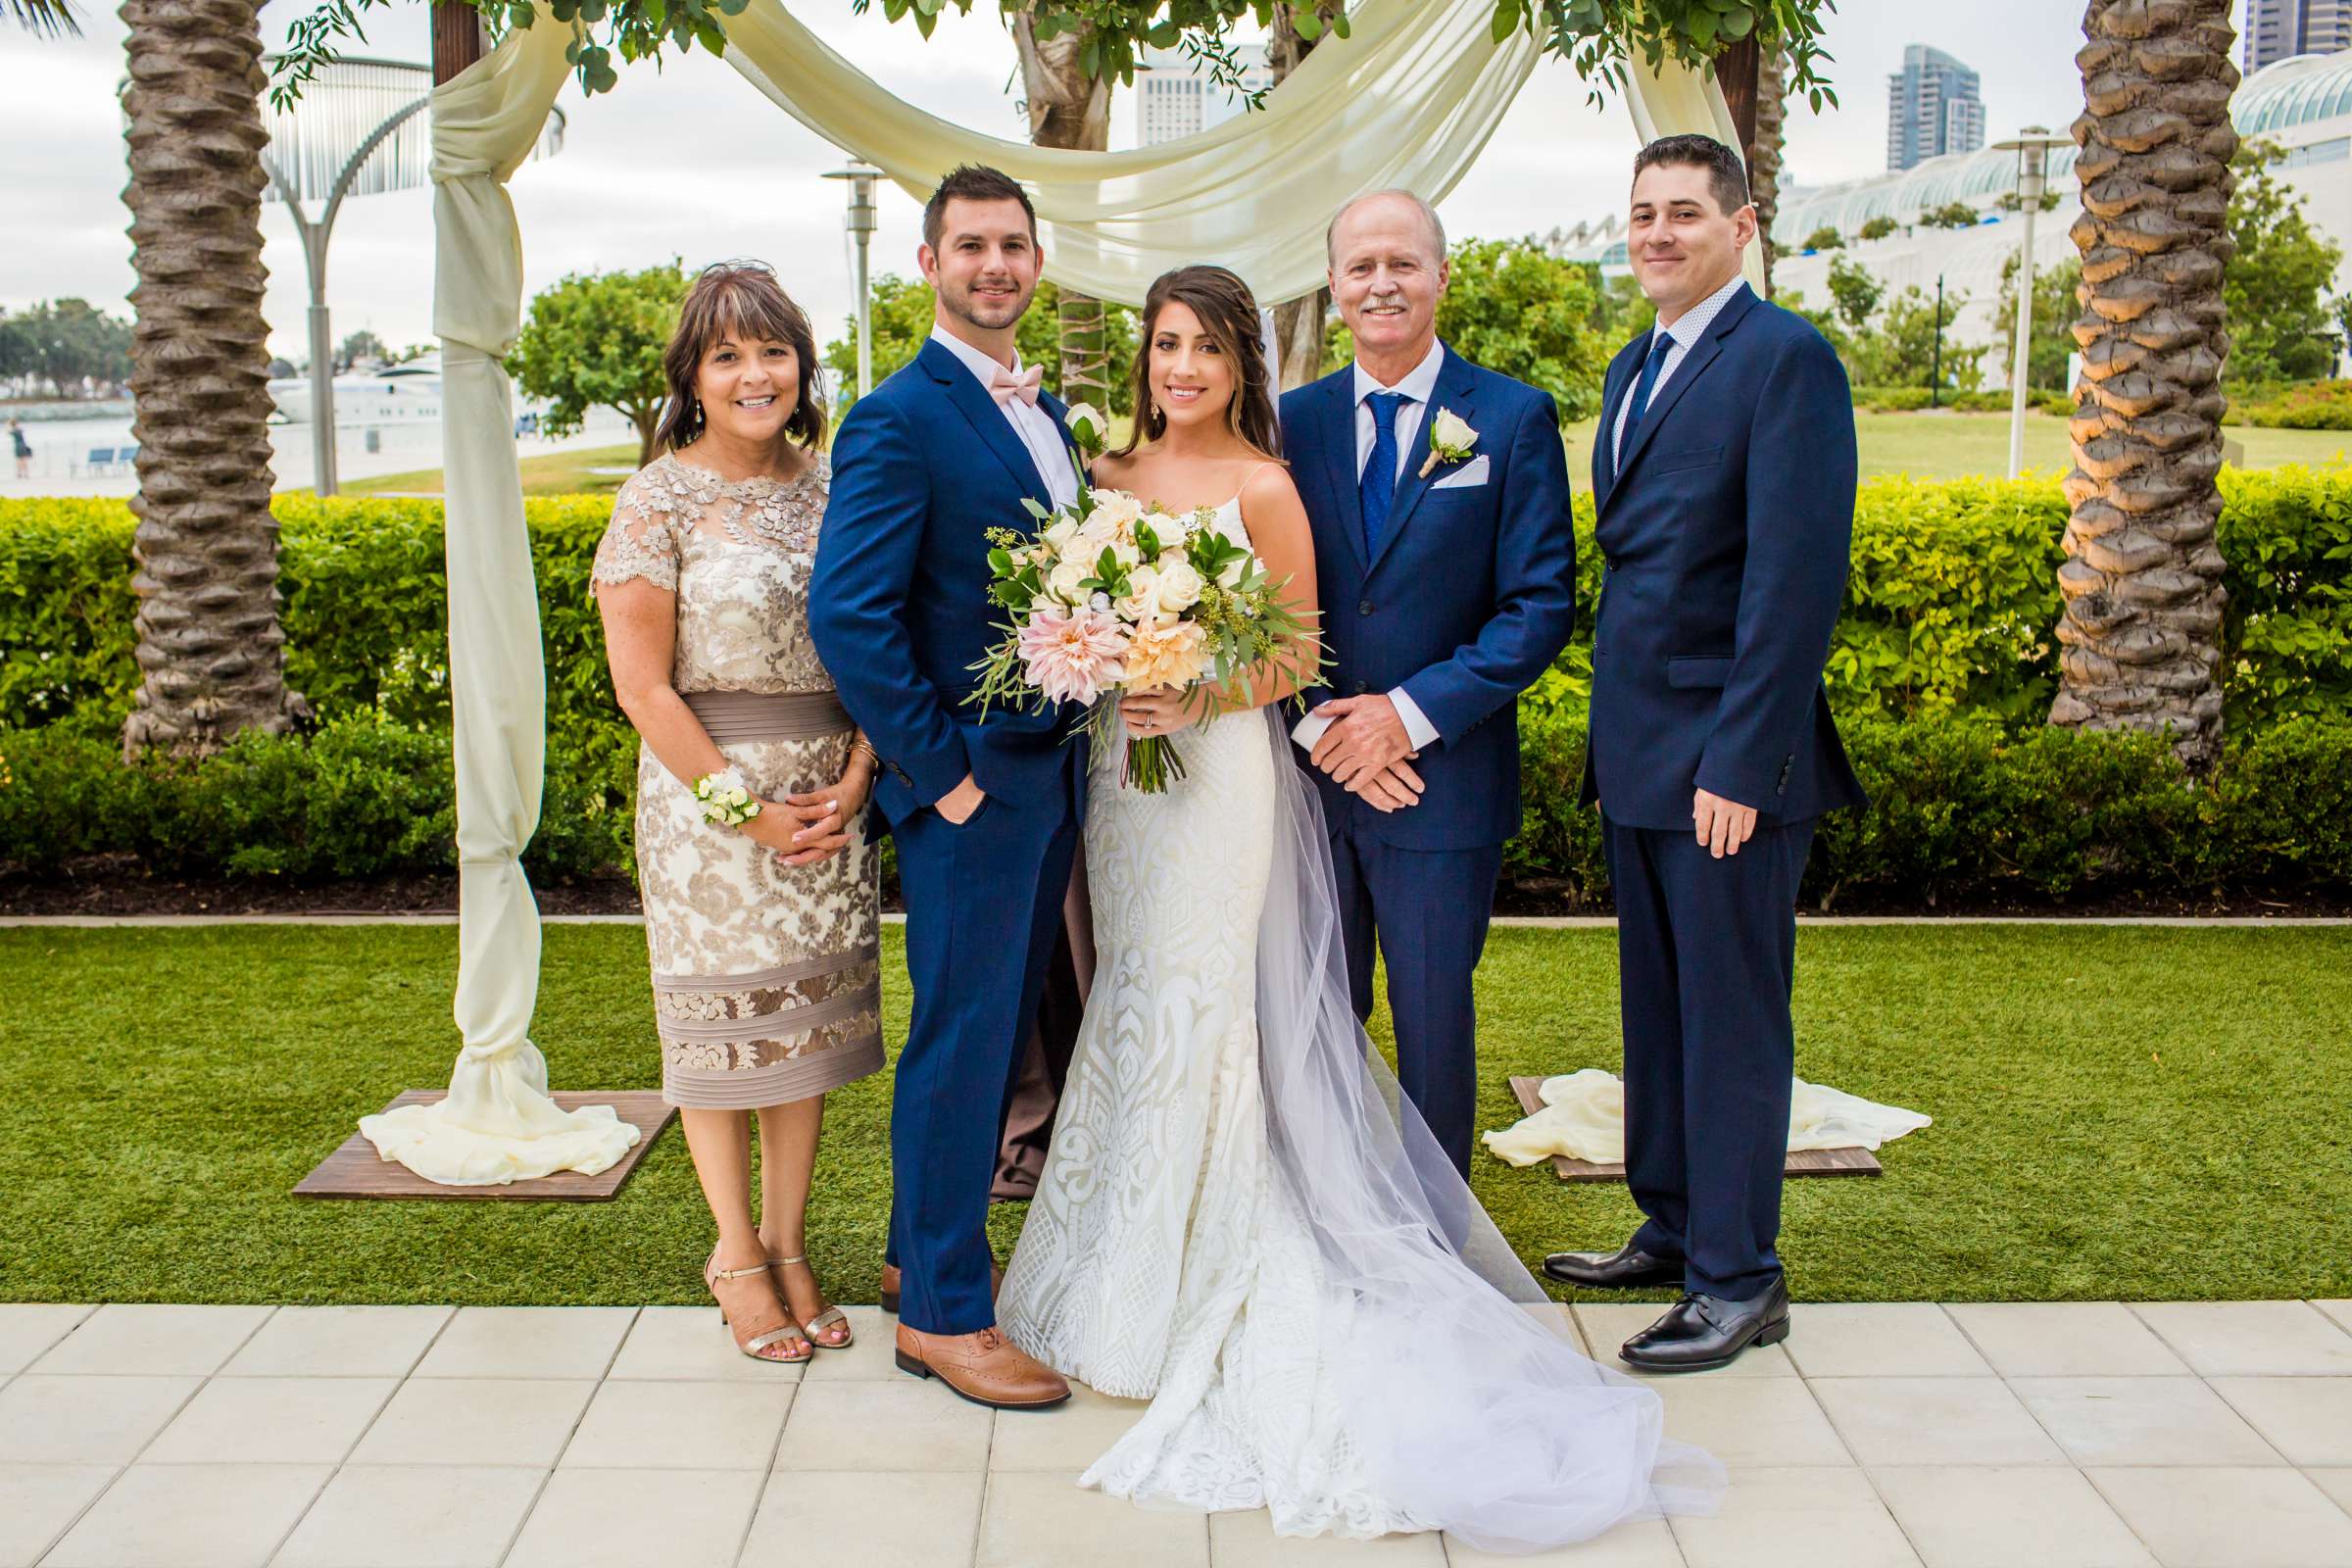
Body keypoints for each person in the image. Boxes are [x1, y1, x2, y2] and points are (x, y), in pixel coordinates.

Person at [999, 265, 1711, 1552]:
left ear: (1240, 367)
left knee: (1206, 1005)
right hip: (1121, 780)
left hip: (1216, 783)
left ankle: (1214, 1261)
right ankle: (1110, 1261)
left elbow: (1293, 652)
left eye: (1209, 349)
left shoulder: (1266, 486)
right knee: (1133, 997)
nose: (1182, 369)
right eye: (1166, 345)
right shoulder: (1099, 484)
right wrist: (1102, 659)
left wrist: (1189, 685)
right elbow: (1057, 617)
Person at [1543, 134, 1866, 1372]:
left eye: (1685, 212)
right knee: (1660, 1014)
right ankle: (1674, 1226)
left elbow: (1793, 584)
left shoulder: (1786, 361)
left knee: (1731, 1022)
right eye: (1641, 214)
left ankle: (1741, 1279)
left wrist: (1738, 761)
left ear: (1743, 227)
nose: (1658, 233)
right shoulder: (1637, 362)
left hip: (1730, 769)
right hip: (1639, 759)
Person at [808, 165, 1085, 1411]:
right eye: (970, 245)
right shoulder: (898, 416)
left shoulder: (1049, 413)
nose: (995, 266)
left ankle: (912, 1249)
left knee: (995, 1037)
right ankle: (944, 1316)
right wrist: (940, 779)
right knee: (966, 1044)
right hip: (976, 792)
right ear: (927, 263)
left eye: (1013, 245)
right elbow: (851, 617)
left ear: (1037, 259)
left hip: (1053, 774)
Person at [593, 261, 879, 1364]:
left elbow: (875, 640)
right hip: (709, 812)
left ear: (801, 366)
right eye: (728, 355)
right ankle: (733, 1252)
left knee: (801, 1034)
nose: (755, 373)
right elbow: (643, 687)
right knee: (721, 1039)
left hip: (831, 800)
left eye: (772, 350)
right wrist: (744, 810)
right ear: (693, 377)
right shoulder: (657, 496)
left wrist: (859, 775)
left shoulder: (836, 486)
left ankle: (790, 1241)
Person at [1276, 190, 1579, 1176]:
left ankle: (1442, 1242)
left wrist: (1404, 721)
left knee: (1434, 1019)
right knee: (1319, 1014)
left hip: (1442, 785)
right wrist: (1325, 730)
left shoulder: (1512, 417)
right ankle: (1331, 1216)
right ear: (1334, 287)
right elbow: (1252, 600)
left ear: (1442, 275)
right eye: (1361, 267)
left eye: (1402, 263)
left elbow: (1539, 607)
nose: (1382, 283)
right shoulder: (1292, 422)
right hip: (1313, 784)